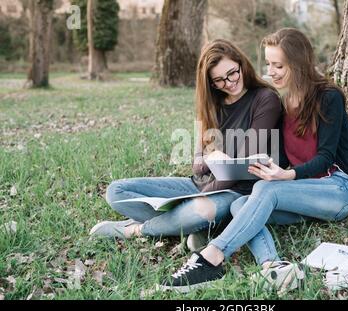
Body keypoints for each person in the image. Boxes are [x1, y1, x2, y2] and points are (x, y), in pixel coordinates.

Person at [160, 28, 348, 293]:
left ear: (298, 65)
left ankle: (210, 258)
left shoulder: (328, 97)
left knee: (264, 190)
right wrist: (265, 166)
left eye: (278, 65)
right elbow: (287, 156)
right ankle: (272, 266)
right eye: (268, 64)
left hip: (338, 188)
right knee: (241, 202)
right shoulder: (283, 102)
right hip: (305, 193)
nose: (271, 71)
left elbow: (325, 158)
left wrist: (284, 176)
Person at [89, 39, 284, 243]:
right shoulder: (212, 104)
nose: (229, 83)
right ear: (210, 82)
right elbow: (197, 167)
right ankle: (190, 225)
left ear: (241, 64)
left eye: (232, 73)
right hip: (198, 185)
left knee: (196, 211)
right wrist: (210, 160)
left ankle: (137, 229)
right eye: (218, 80)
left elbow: (239, 168)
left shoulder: (265, 99)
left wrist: (197, 197)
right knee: (116, 191)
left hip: (235, 192)